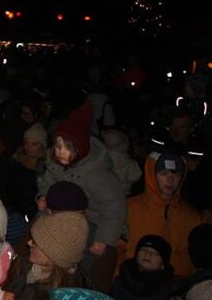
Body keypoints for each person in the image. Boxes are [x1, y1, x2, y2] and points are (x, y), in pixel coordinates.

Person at [37, 101, 127, 292]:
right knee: (39, 228)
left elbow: (114, 206)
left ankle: (79, 282)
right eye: (57, 146)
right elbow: (46, 182)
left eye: (66, 147)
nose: (60, 151)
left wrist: (104, 239)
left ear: (80, 147)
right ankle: (44, 270)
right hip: (61, 214)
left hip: (92, 219)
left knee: (88, 253)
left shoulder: (96, 173)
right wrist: (42, 197)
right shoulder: (56, 164)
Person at [120, 147, 203, 277]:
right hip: (135, 284)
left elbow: (196, 259)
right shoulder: (130, 207)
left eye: (176, 175)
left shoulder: (192, 216)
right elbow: (118, 249)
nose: (170, 180)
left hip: (174, 287)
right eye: (163, 173)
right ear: (152, 175)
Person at [3, 211, 91, 299]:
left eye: (36, 243)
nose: (29, 243)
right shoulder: (24, 264)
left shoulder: (54, 295)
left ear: (55, 255)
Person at [111, 235, 175, 300]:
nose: (148, 254)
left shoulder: (170, 289)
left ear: (163, 264)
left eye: (156, 253)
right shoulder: (121, 280)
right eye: (144, 250)